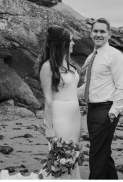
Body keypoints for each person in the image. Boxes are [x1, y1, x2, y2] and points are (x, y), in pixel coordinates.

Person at [78, 18, 123, 180]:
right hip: (92, 110)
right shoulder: (91, 57)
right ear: (90, 33)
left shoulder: (115, 56)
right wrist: (66, 93)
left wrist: (114, 111)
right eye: (95, 31)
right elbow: (88, 85)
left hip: (106, 110)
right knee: (103, 153)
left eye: (102, 31)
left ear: (109, 35)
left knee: (96, 155)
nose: (98, 34)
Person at [37, 25, 82, 179]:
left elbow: (73, 91)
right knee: (60, 156)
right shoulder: (47, 67)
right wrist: (49, 128)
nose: (73, 43)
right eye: (70, 41)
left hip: (75, 117)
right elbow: (48, 100)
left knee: (73, 155)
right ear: (61, 43)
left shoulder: (69, 64)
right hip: (59, 117)